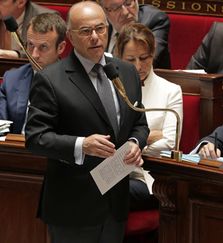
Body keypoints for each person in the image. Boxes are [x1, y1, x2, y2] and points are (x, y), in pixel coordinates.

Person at [25, 2, 149, 242]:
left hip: (115, 203)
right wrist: (81, 145)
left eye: (100, 29)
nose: (95, 37)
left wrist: (135, 142)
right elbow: (35, 138)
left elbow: (139, 122)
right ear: (70, 36)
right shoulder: (51, 79)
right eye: (85, 31)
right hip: (73, 207)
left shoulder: (126, 72)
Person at [115, 23, 182, 210]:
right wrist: (151, 135)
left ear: (153, 54)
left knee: (111, 191)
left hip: (150, 176)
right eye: (131, 59)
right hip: (112, 170)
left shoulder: (171, 91)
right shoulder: (111, 88)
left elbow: (169, 144)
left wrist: (132, 146)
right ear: (119, 58)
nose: (138, 66)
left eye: (144, 58)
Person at [0, 13, 66, 134]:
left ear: (60, 48)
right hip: (16, 149)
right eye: (31, 45)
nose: (34, 54)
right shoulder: (12, 79)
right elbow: (1, 127)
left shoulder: (74, 81)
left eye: (43, 47)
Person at [98, 0, 171, 69]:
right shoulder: (99, 25)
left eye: (128, 3)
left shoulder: (155, 20)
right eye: (115, 8)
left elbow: (144, 63)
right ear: (104, 11)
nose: (125, 12)